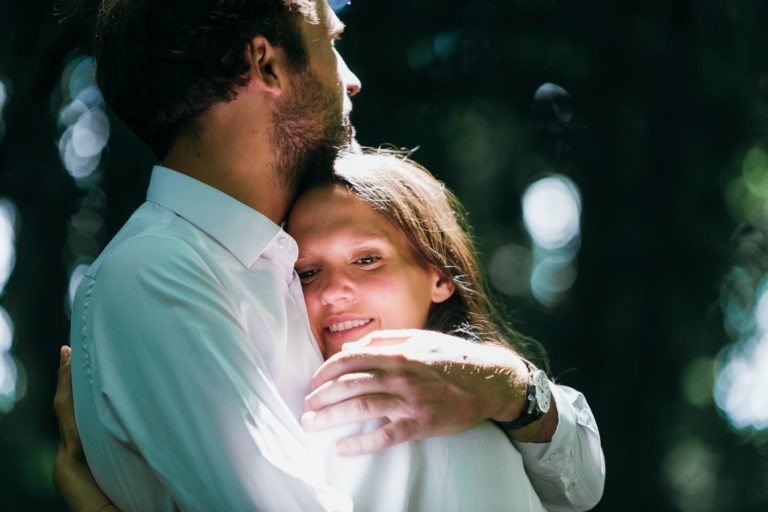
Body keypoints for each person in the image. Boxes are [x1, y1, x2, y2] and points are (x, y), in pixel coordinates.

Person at [64, 0, 603, 510]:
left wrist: (508, 385)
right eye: (330, 41)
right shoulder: (155, 272)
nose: (351, 79)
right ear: (266, 63)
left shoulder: (284, 252)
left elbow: (579, 487)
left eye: (366, 261)